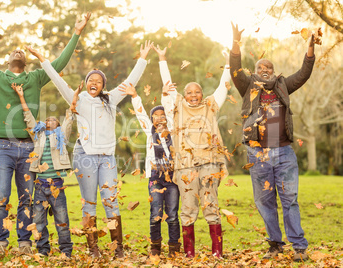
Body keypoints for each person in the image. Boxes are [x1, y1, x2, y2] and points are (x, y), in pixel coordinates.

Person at [0, 13, 90, 255]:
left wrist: (77, 33)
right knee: (1, 197)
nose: (18, 51)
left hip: (30, 148)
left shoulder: (36, 78)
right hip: (4, 148)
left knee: (25, 199)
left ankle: (24, 244)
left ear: (26, 62)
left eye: (21, 52)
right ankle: (0, 243)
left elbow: (59, 64)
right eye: (14, 51)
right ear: (8, 60)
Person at [37, 40, 153, 258]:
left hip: (107, 158)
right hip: (85, 157)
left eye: (99, 81)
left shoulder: (111, 99)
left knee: (111, 202)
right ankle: (93, 250)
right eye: (91, 79)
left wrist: (143, 58)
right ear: (86, 82)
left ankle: (117, 249)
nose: (95, 82)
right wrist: (42, 60)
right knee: (89, 204)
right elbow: (58, 80)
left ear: (103, 85)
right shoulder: (78, 99)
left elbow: (130, 82)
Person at [230, 22, 317, 262]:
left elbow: (303, 74)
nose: (265, 69)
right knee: (264, 201)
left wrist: (310, 48)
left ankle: (299, 247)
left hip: (284, 153)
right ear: (255, 71)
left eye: (269, 67)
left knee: (290, 200)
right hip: (258, 154)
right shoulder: (247, 86)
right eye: (261, 66)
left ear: (274, 71)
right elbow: (235, 69)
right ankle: (275, 244)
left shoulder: (283, 86)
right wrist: (236, 43)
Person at [158, 45, 231, 258]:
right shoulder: (178, 105)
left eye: (197, 91)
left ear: (202, 93)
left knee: (211, 207)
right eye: (189, 92)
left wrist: (228, 64)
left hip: (209, 164)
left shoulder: (211, 105)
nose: (193, 95)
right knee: (188, 209)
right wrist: (162, 59)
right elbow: (168, 86)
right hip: (185, 166)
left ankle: (217, 252)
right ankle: (189, 253)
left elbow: (223, 87)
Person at [12, 53, 81, 257]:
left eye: (54, 120)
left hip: (57, 184)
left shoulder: (62, 135)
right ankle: (43, 250)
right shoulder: (39, 135)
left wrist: (74, 96)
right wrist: (21, 96)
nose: (50, 120)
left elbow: (71, 115)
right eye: (48, 119)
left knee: (62, 219)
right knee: (39, 220)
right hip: (40, 185)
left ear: (58, 126)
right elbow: (28, 117)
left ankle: (66, 251)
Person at [118, 81, 181, 257]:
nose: (159, 118)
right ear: (152, 119)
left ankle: (174, 247)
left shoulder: (174, 133)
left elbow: (169, 110)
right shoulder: (149, 133)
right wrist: (134, 96)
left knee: (173, 214)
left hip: (172, 178)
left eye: (162, 116)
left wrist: (166, 95)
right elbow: (141, 115)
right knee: (155, 212)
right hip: (155, 177)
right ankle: (155, 246)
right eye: (155, 116)